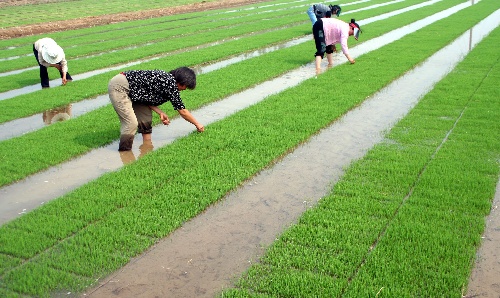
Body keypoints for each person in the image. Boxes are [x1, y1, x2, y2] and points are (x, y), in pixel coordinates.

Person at [108, 67, 205, 151]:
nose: (184, 89)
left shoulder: (167, 81)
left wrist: (160, 112)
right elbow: (182, 111)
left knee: (146, 119)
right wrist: (197, 124)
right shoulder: (169, 82)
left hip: (136, 93)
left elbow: (146, 98)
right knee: (131, 123)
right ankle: (125, 152)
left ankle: (147, 146)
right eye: (185, 86)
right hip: (120, 86)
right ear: (181, 81)